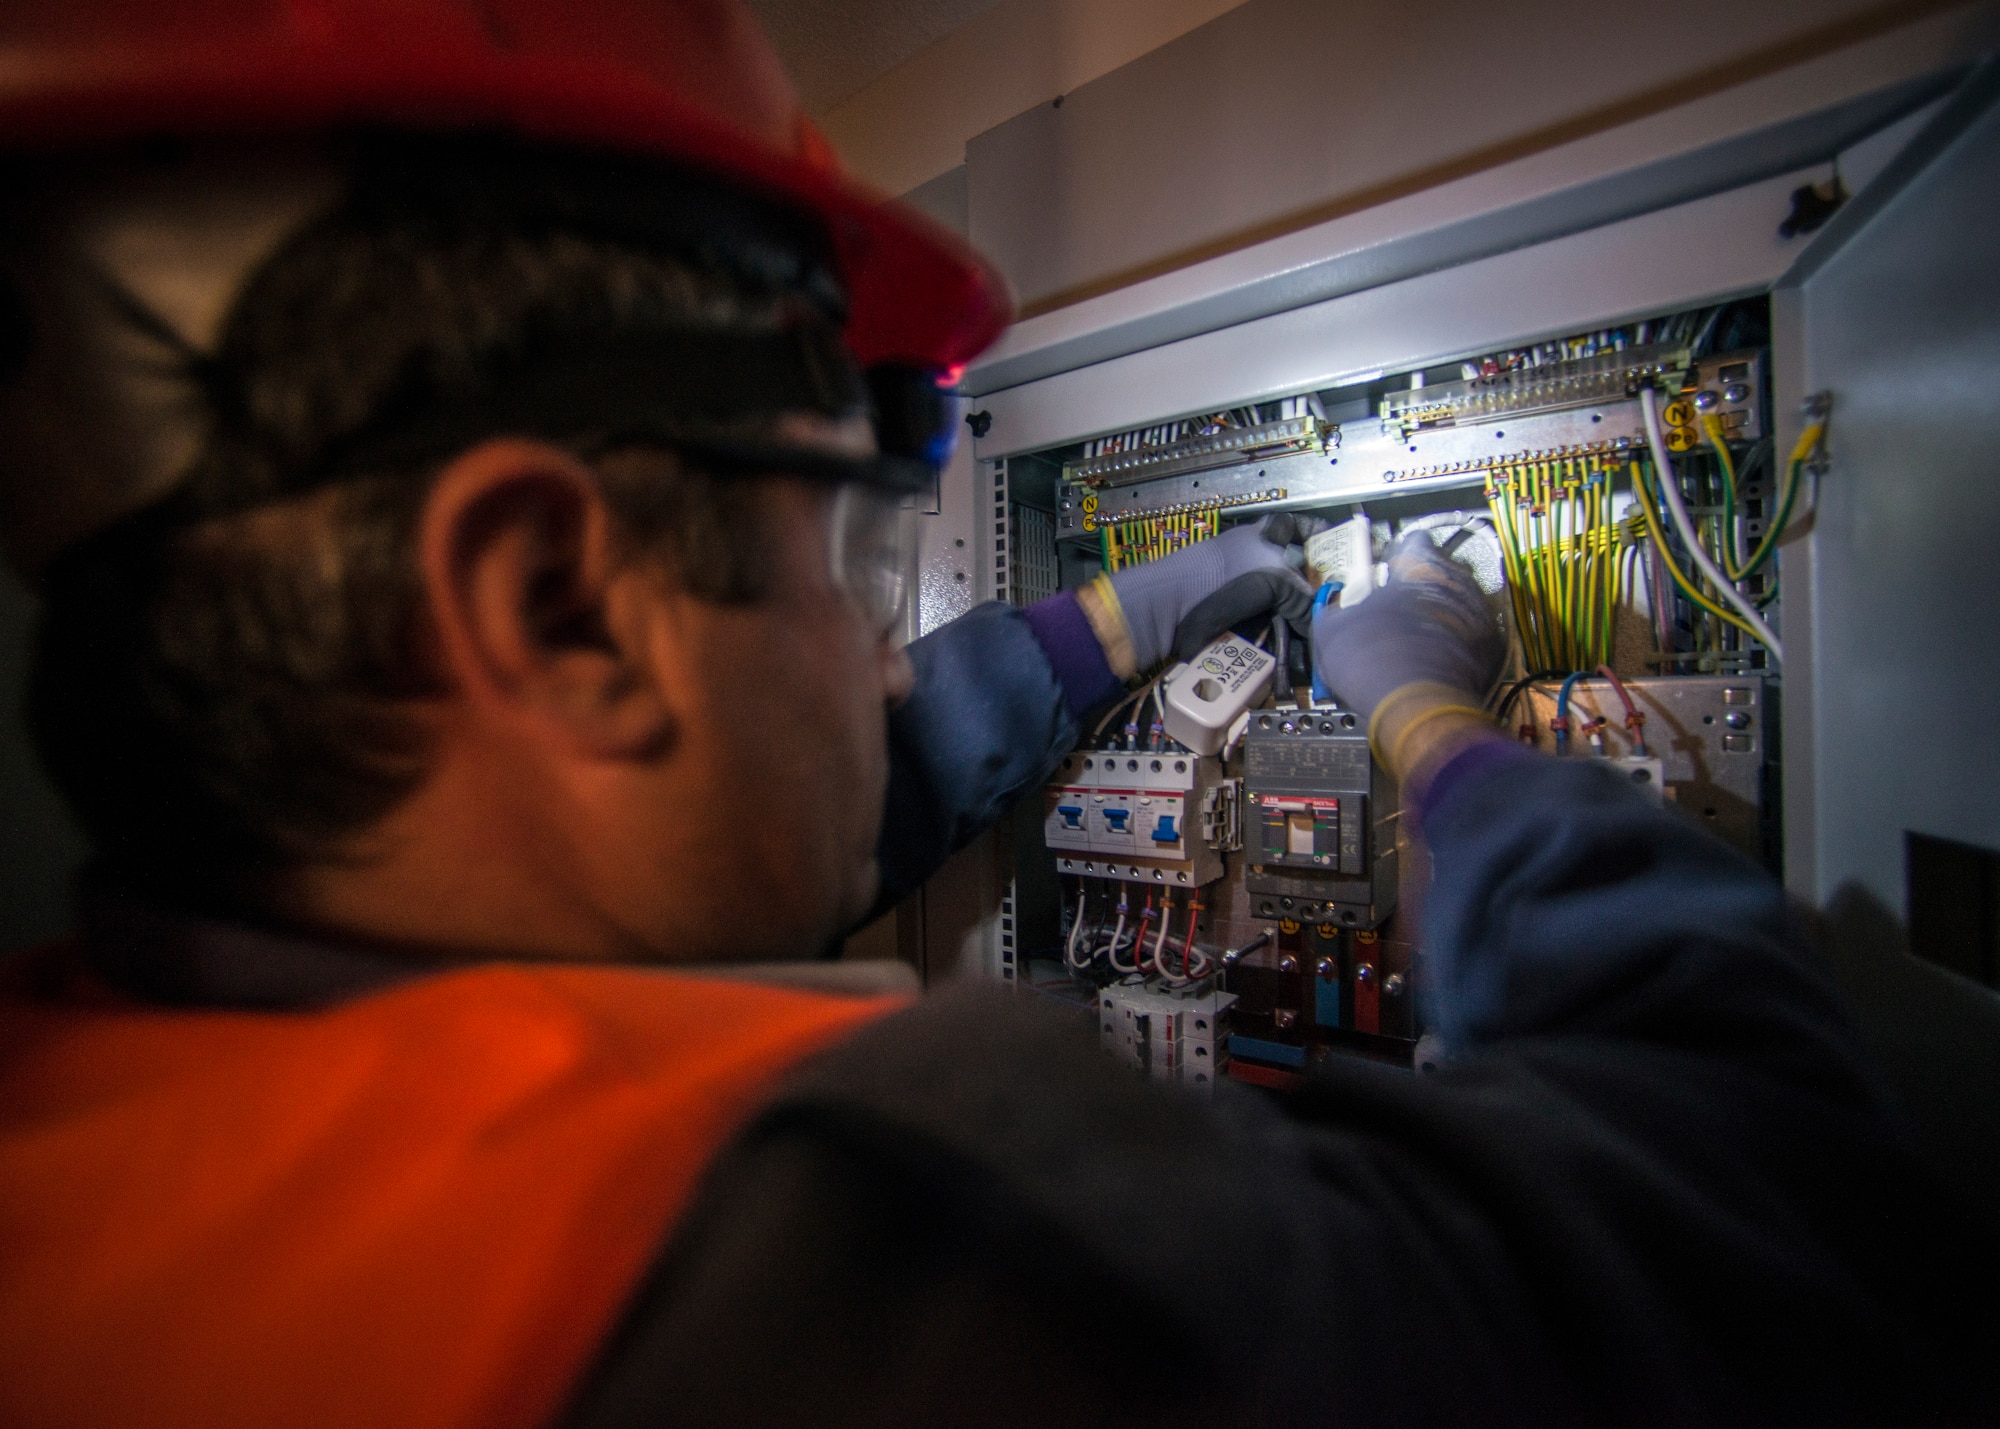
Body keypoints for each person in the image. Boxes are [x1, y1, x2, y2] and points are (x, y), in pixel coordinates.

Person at [0, 3, 1993, 1426]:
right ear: (552, 602)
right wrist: (1431, 735)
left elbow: (818, 793)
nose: (885, 658)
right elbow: (1756, 1193)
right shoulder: (867, 1268)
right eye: (856, 556)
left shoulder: (112, 1120)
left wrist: (1123, 610)